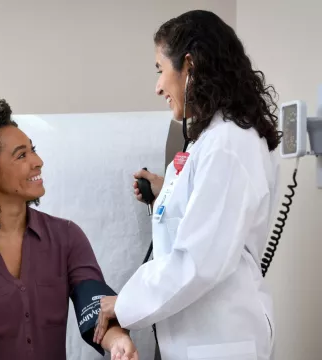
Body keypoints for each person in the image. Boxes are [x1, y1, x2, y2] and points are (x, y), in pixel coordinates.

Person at [94, 10, 280, 360]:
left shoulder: (228, 142)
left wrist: (125, 303)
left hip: (221, 338)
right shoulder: (208, 139)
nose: (158, 86)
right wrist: (168, 191)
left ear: (190, 66)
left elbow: (199, 259)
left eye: (160, 70)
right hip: (202, 335)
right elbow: (206, 220)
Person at [0, 99, 138, 360]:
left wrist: (118, 341)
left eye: (32, 150)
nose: (38, 161)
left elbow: (93, 305)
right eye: (21, 155)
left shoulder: (67, 237)